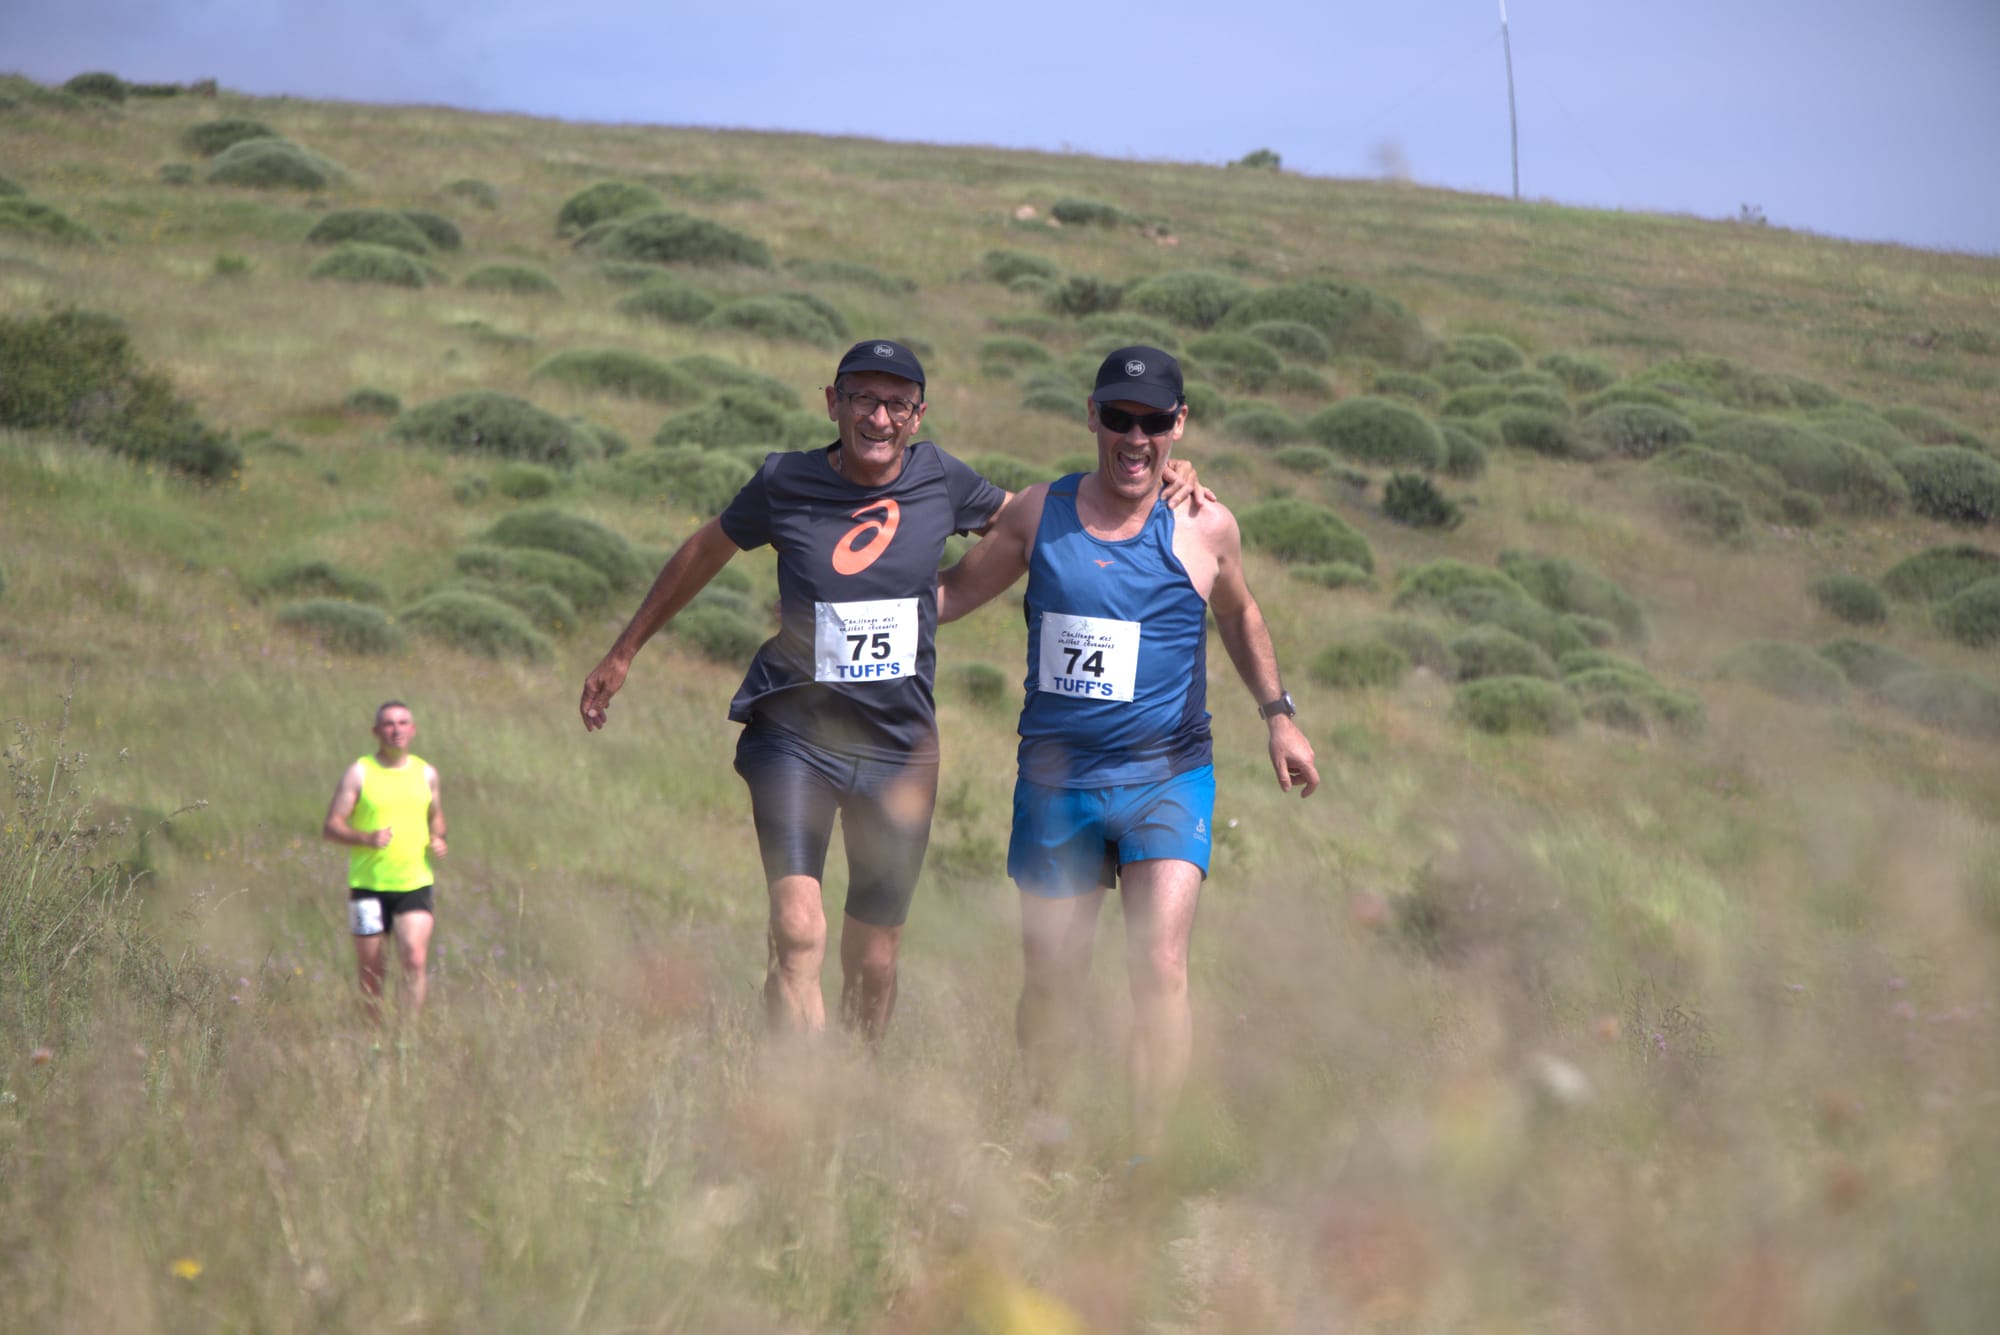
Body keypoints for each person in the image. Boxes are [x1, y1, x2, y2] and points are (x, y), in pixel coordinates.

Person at [579, 339, 1203, 1042]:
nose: (879, 417)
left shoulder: (941, 479)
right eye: (863, 399)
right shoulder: (785, 481)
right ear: (833, 403)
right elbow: (705, 548)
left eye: (896, 404)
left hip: (898, 753)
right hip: (793, 735)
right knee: (798, 929)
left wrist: (1160, 477)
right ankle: (799, 1104)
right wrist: (624, 649)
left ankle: (855, 1085)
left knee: (873, 963)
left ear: (918, 414)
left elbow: (1039, 519)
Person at [937, 345, 1318, 1160]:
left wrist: (1279, 714)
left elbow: (1241, 615)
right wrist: (843, 597)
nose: (1135, 436)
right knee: (1052, 978)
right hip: (1057, 783)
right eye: (1120, 417)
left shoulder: (1206, 525)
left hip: (1169, 777)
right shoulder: (1041, 514)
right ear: (1092, 416)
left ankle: (1148, 1162)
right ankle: (1046, 1134)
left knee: (1160, 965)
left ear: (1178, 425)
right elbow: (953, 595)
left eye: (1153, 421)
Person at [322, 700, 447, 1024]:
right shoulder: (360, 772)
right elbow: (331, 826)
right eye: (389, 724)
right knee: (371, 974)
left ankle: (408, 1040)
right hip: (368, 888)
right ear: (376, 731)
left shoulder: (426, 773)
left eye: (403, 723)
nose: (396, 730)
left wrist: (438, 838)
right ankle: (373, 1039)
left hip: (414, 884)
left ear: (413, 730)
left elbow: (437, 818)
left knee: (415, 959)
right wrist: (367, 838)